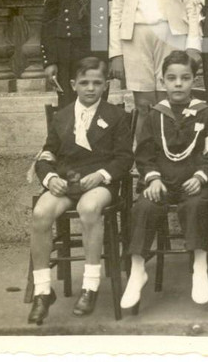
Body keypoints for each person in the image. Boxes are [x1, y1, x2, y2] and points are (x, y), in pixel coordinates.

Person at [27, 57, 133, 324]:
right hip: (67, 182)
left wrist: (102, 174)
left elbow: (124, 158)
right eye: (84, 83)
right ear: (73, 85)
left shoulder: (116, 116)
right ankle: (42, 291)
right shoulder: (62, 116)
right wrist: (50, 177)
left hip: (100, 184)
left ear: (106, 85)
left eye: (97, 83)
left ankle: (90, 285)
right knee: (40, 214)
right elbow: (47, 152)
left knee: (89, 208)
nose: (90, 88)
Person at [120, 51, 208, 310]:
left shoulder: (205, 114)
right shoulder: (155, 115)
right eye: (172, 78)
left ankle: (199, 265)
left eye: (185, 78)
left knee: (196, 206)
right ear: (162, 80)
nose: (178, 84)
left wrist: (201, 176)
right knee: (143, 207)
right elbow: (144, 154)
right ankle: (137, 269)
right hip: (162, 183)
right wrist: (152, 179)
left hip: (192, 183)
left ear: (193, 81)